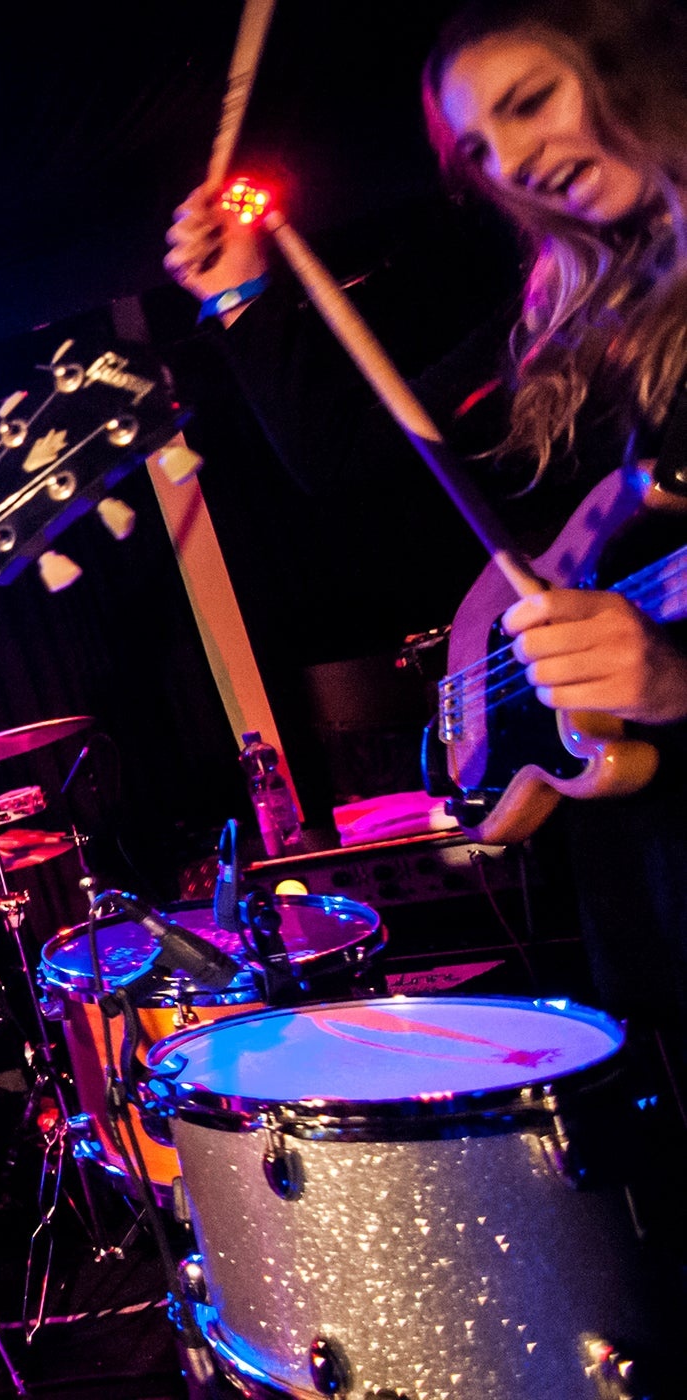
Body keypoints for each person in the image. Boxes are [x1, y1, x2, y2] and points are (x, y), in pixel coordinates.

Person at [165, 0, 687, 1074]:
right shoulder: (570, 311)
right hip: (646, 874)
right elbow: (356, 462)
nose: (517, 163)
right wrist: (244, 296)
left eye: (533, 102)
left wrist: (679, 678)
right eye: (484, 150)